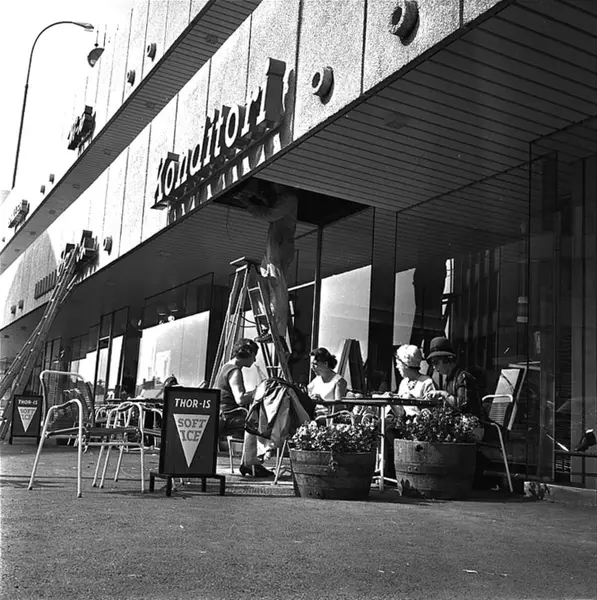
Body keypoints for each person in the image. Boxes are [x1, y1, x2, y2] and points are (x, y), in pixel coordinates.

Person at [213, 338, 273, 478]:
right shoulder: (235, 371)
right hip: (228, 416)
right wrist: (260, 390)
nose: (255, 360)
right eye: (254, 356)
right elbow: (240, 399)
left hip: (221, 413)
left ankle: (250, 462)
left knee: (254, 419)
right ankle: (251, 463)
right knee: (258, 422)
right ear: (247, 354)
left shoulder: (226, 366)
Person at [385, 345, 434, 480]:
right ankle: (391, 467)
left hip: (419, 425)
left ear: (406, 365)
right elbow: (401, 413)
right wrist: (392, 401)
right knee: (383, 425)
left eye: (398, 364)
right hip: (404, 423)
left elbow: (431, 411)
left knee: (388, 427)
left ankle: (404, 463)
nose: (397, 367)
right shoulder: (403, 383)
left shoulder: (427, 382)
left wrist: (414, 401)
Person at [425, 337, 484, 418]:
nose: (434, 367)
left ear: (446, 360)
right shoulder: (449, 380)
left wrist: (442, 394)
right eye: (432, 364)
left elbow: (462, 405)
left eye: (436, 362)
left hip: (473, 423)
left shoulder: (462, 377)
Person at [307, 347, 348, 421]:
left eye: (315, 364)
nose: (312, 368)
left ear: (325, 364)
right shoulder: (316, 381)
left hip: (328, 419)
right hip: (313, 417)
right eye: (311, 364)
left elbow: (339, 408)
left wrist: (323, 402)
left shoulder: (338, 382)